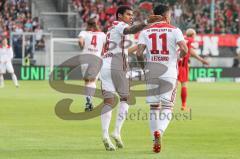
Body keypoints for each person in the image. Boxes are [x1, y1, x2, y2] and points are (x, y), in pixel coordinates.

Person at [100, 5, 160, 151]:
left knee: (108, 101)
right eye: (128, 14)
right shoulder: (121, 25)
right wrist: (146, 22)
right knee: (126, 99)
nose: (131, 17)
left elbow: (124, 49)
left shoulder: (110, 29)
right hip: (117, 66)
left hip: (105, 66)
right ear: (119, 15)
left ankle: (105, 134)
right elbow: (130, 29)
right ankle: (117, 131)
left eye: (132, 15)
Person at [136, 4, 188, 153]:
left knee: (154, 107)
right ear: (166, 16)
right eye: (170, 15)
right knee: (168, 107)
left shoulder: (146, 31)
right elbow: (184, 49)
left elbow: (138, 53)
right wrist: (177, 58)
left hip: (152, 71)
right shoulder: (175, 30)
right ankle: (160, 131)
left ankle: (154, 137)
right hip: (169, 71)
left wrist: (143, 67)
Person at [78, 18, 106, 111]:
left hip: (85, 58)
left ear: (87, 24)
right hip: (96, 58)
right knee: (92, 81)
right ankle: (89, 102)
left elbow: (80, 41)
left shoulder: (84, 33)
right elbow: (107, 45)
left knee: (86, 81)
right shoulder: (102, 34)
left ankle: (88, 102)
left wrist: (83, 47)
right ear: (96, 24)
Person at [178, 28, 209, 111]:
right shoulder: (189, 39)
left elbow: (191, 51)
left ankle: (166, 104)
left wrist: (202, 60)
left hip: (174, 65)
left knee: (172, 86)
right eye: (194, 35)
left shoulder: (180, 39)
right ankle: (183, 105)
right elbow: (193, 46)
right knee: (183, 85)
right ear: (192, 35)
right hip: (182, 65)